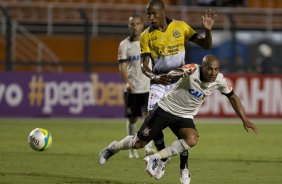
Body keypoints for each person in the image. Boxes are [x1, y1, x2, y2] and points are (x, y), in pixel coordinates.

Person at [98, 55, 258, 183]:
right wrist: (179, 73)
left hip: (184, 116)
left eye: (216, 69)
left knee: (192, 139)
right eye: (210, 69)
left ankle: (156, 157)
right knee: (139, 143)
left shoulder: (219, 80)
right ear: (203, 67)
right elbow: (174, 72)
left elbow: (233, 97)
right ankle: (114, 147)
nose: (213, 73)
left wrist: (244, 119)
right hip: (165, 109)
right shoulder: (193, 69)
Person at [139, 0, 216, 183]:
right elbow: (144, 65)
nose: (150, 18)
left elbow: (205, 45)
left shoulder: (180, 27)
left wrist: (208, 31)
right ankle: (163, 157)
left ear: (163, 12)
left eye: (153, 14)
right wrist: (154, 77)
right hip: (159, 82)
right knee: (151, 119)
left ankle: (184, 167)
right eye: (148, 14)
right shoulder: (146, 35)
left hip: (180, 83)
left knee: (182, 129)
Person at [118, 14, 155, 159]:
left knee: (149, 118)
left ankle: (148, 147)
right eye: (132, 24)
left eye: (138, 24)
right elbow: (122, 66)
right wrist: (127, 82)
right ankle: (131, 149)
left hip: (147, 88)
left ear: (142, 25)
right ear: (129, 26)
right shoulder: (124, 45)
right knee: (132, 120)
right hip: (132, 89)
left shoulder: (149, 41)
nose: (135, 27)